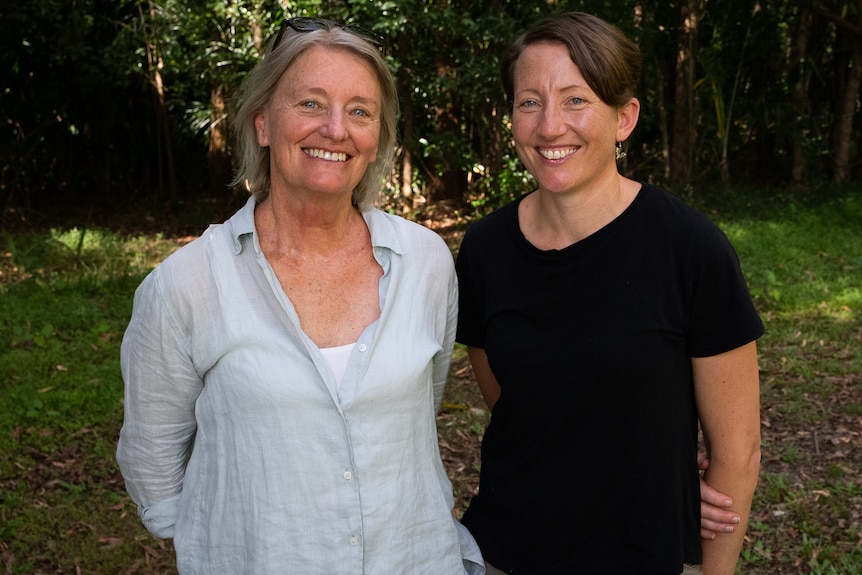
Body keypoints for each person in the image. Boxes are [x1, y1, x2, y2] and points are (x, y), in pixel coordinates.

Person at [116, 17, 483, 575]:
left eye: (360, 111)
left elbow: (415, 417)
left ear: (377, 137)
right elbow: (154, 467)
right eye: (310, 103)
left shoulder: (426, 262)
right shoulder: (185, 285)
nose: (336, 129)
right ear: (262, 123)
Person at [455, 12, 763, 575]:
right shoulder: (484, 249)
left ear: (624, 118)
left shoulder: (690, 249)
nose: (550, 126)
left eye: (576, 100)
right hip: (508, 550)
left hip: (644, 554)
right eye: (530, 102)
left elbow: (737, 453)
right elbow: (515, 405)